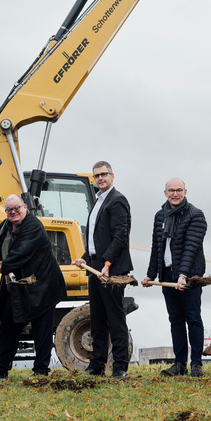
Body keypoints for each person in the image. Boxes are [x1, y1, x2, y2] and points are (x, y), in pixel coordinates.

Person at [0, 195, 67, 380]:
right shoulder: (5, 227)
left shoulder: (33, 226)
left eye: (16, 208)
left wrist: (0, 265)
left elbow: (17, 257)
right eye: (9, 210)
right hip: (17, 287)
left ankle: (41, 371)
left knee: (42, 331)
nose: (13, 212)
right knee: (7, 330)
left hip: (42, 286)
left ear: (25, 207)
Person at [73, 161, 133, 378]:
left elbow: (120, 237)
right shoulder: (98, 201)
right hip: (95, 266)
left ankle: (119, 367)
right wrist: (83, 258)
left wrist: (107, 264)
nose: (100, 178)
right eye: (97, 175)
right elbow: (95, 239)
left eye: (104, 174)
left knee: (115, 318)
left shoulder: (117, 201)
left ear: (112, 176)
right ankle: (96, 365)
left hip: (112, 269)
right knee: (97, 318)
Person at [143, 178, 208, 378]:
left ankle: (196, 363)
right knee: (175, 320)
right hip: (167, 274)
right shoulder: (160, 216)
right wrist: (150, 274)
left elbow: (191, 248)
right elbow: (157, 247)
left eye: (179, 190)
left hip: (189, 276)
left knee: (193, 318)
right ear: (165, 193)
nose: (175, 194)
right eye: (171, 190)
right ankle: (180, 363)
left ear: (185, 191)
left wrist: (183, 276)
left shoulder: (195, 215)